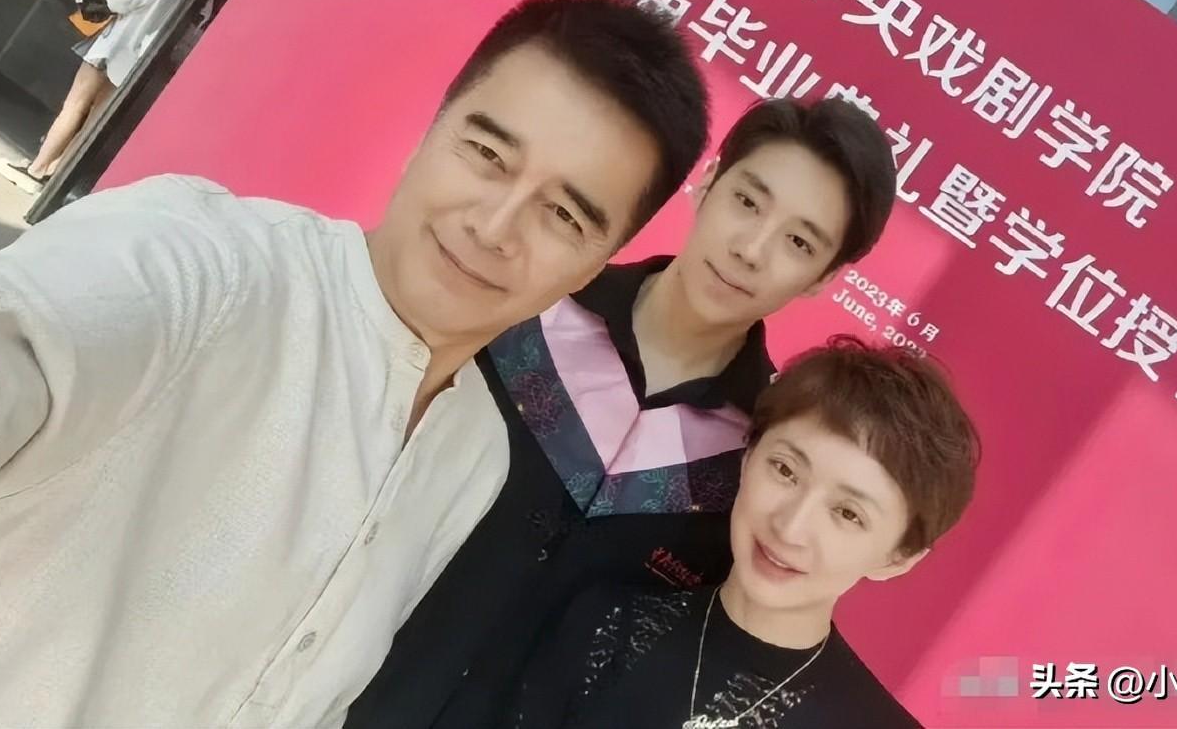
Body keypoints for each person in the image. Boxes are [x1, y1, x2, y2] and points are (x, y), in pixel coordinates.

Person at [0, 0, 710, 727]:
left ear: (594, 269)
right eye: (487, 154)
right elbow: (4, 348)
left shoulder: (477, 454)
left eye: (564, 215)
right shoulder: (213, 264)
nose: (494, 227)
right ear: (429, 131)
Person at [349, 98, 899, 729]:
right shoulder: (526, 310)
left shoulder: (757, 464)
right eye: (747, 201)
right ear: (708, 182)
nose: (751, 249)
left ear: (824, 278)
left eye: (798, 242)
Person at [507, 336, 980, 729]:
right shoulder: (606, 620)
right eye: (785, 470)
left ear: (897, 558)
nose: (790, 527)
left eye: (847, 513)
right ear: (748, 455)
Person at [0, 0, 228, 195]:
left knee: (74, 105)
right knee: (93, 120)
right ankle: (54, 176)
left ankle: (36, 169)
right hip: (136, 58)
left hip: (113, 45)